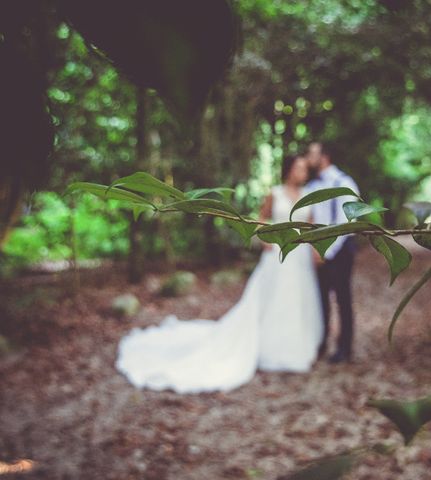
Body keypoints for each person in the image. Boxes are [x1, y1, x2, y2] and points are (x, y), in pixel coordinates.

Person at [115, 155, 323, 393]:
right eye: (298, 168)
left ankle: (297, 348)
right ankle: (270, 349)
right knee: (273, 300)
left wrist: (316, 251)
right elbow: (260, 219)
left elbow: (311, 224)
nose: (302, 172)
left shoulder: (309, 196)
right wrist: (265, 239)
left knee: (296, 301)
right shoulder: (274, 193)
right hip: (277, 254)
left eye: (305, 169)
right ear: (288, 170)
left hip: (300, 258)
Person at [305, 142, 359, 363]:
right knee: (320, 299)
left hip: (340, 250)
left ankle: (345, 347)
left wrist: (327, 251)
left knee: (342, 299)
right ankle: (321, 342)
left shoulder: (344, 183)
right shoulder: (310, 187)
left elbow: (347, 221)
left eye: (312, 153)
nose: (308, 157)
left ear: (324, 157)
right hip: (318, 252)